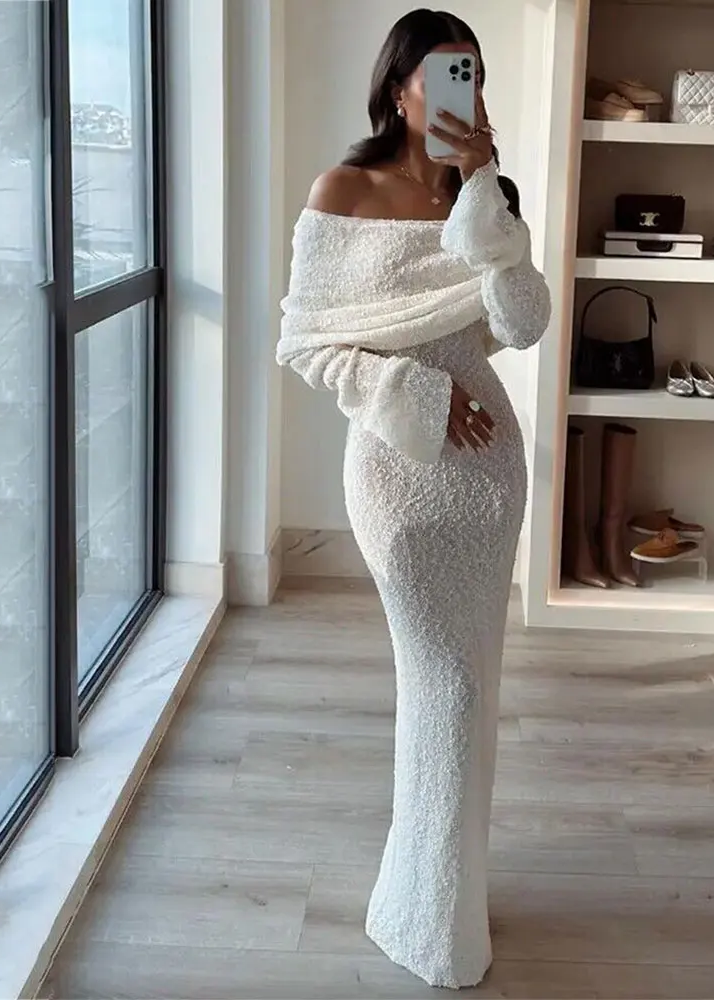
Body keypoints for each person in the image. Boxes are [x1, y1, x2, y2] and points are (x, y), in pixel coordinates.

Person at [276, 8, 550, 989]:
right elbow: (307, 344)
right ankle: (430, 915)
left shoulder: (488, 195)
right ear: (399, 86)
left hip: (488, 471)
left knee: (472, 682)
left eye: (472, 71)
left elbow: (522, 325)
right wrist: (416, 395)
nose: (460, 89)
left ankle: (440, 894)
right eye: (443, 71)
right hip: (397, 465)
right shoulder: (341, 191)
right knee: (446, 680)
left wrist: (484, 190)